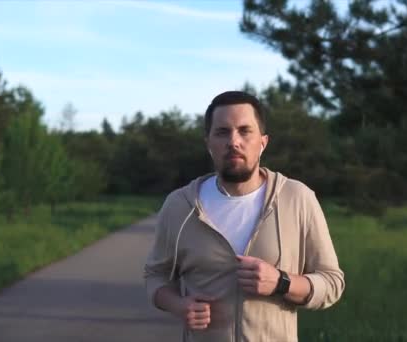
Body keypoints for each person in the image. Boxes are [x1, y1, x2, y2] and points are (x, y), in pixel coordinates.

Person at [144, 91, 344, 342]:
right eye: (222, 132)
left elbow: (332, 283)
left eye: (244, 130)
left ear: (263, 142)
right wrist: (178, 305)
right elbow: (156, 274)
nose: (234, 141)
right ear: (208, 143)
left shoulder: (297, 198)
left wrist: (282, 283)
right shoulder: (179, 205)